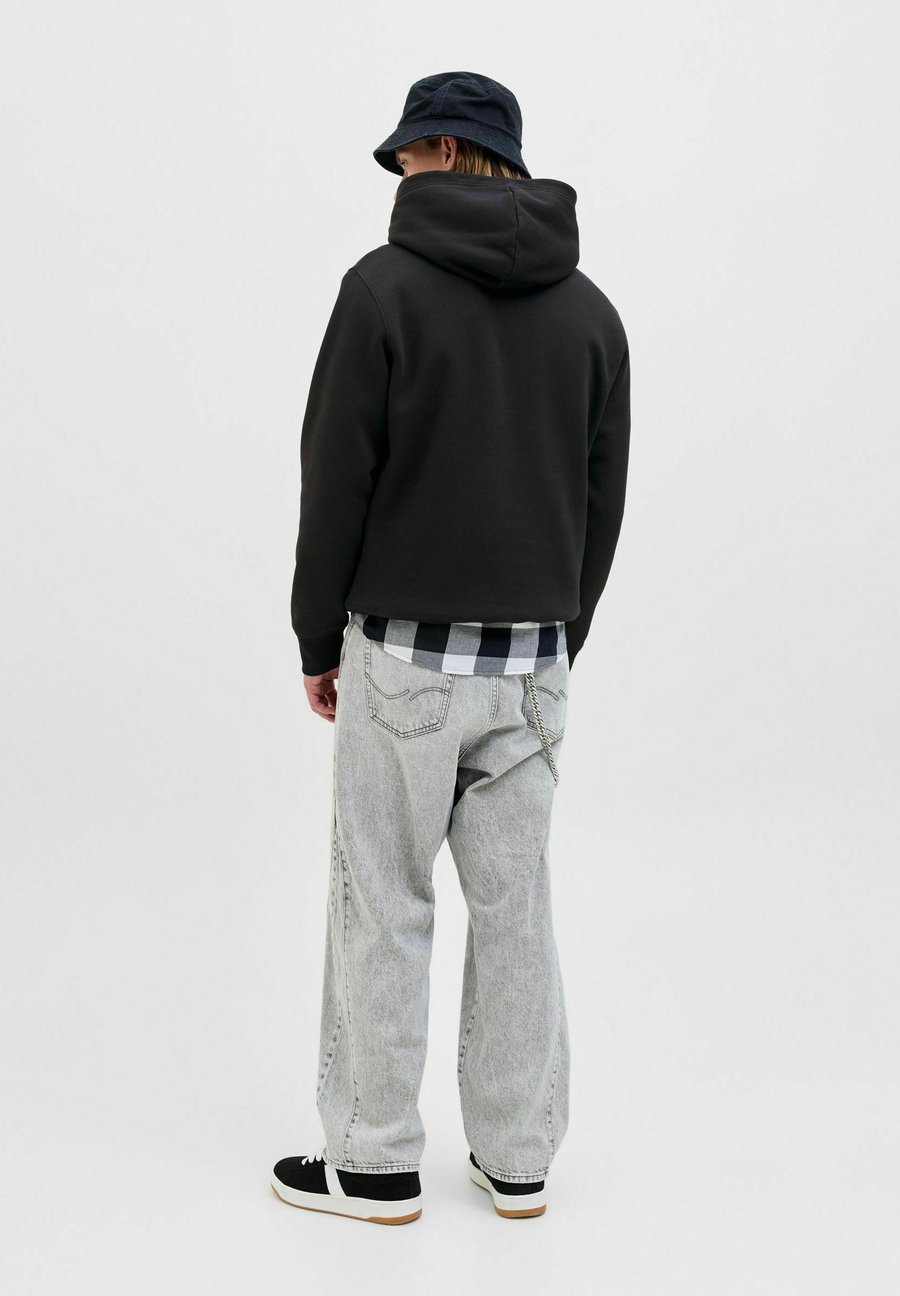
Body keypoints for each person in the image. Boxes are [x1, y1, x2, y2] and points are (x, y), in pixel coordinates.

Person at [273, 71, 631, 1225]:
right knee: (516, 906)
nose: (398, 175)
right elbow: (602, 500)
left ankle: (374, 1162)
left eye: (406, 155)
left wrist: (316, 634)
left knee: (384, 898)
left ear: (439, 149)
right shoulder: (592, 313)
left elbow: (337, 475)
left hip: (405, 659)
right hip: (532, 664)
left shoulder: (382, 289)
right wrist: (559, 637)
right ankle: (518, 1159)